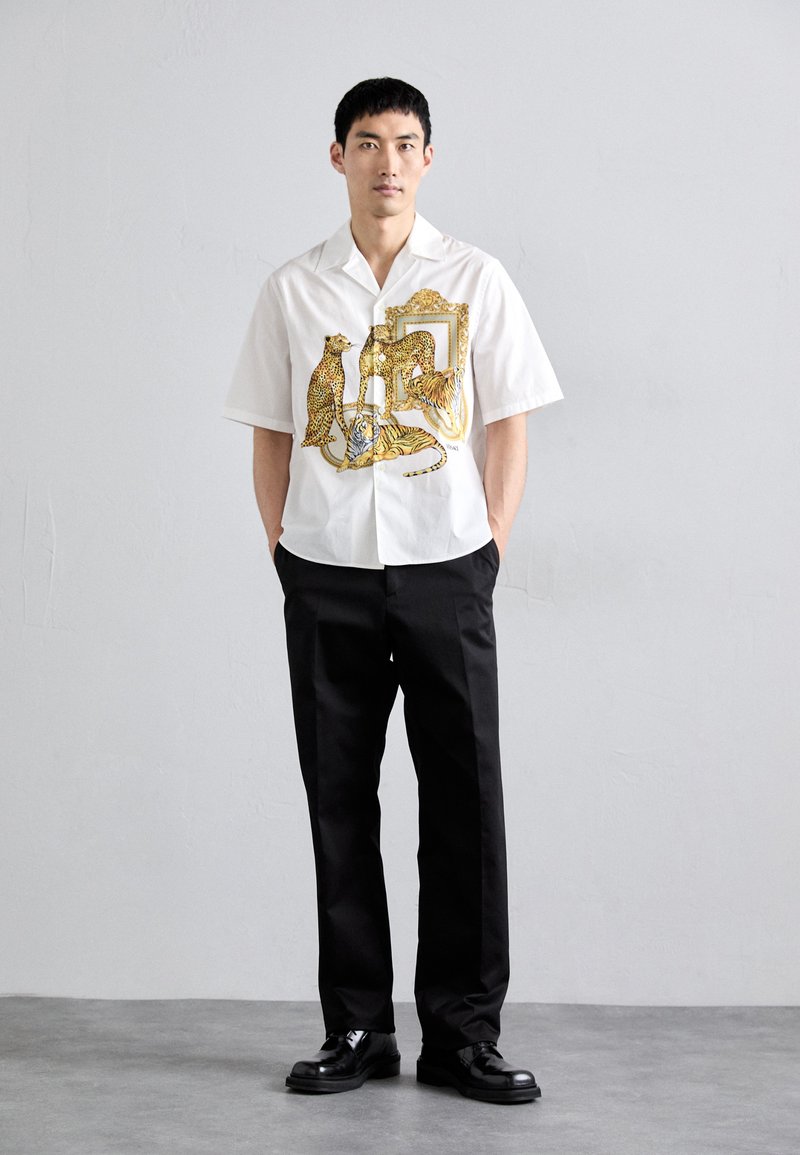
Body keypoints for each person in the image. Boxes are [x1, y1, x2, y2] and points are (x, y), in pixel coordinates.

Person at [223, 77, 563, 1105]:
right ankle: (359, 1027)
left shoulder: (473, 278)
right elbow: (272, 431)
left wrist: (489, 547)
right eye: (367, 142)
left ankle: (462, 1036)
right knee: (337, 798)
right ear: (338, 156)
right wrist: (284, 549)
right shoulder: (294, 289)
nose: (387, 162)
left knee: (465, 800)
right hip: (325, 573)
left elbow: (508, 420)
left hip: (446, 568)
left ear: (428, 158)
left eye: (405, 143)